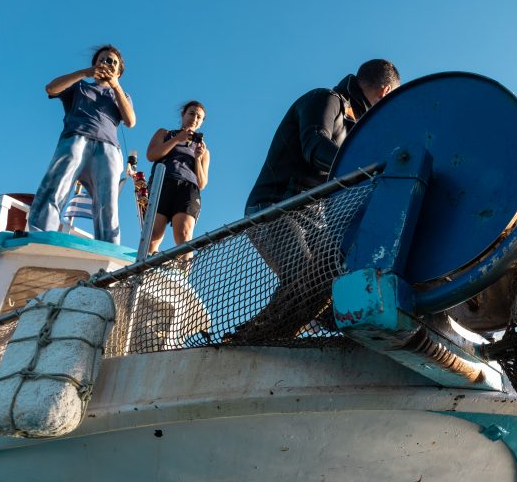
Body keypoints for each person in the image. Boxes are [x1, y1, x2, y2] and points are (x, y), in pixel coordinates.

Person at [234, 59, 400, 341]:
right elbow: (315, 144)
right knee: (307, 278)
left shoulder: (354, 128)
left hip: (313, 218)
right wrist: (364, 171)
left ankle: (277, 332)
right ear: (385, 92)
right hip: (276, 207)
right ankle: (254, 338)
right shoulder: (325, 99)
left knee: (329, 286)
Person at [28, 45, 136, 244]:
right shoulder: (79, 86)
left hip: (109, 148)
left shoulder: (121, 96)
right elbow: (51, 88)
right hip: (76, 138)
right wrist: (84, 73)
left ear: (119, 71)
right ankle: (40, 233)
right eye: (103, 59)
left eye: (113, 62)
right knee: (57, 185)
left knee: (108, 202)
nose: (107, 63)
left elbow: (130, 121)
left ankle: (108, 245)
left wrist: (115, 86)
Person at [145, 101, 211, 255]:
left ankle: (184, 273)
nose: (194, 118)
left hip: (188, 188)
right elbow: (151, 155)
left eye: (199, 117)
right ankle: (143, 271)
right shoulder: (164, 133)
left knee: (183, 235)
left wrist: (197, 158)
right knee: (153, 234)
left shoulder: (204, 151)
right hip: (162, 183)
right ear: (183, 115)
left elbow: (201, 182)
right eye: (191, 113)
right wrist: (177, 139)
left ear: (201, 123)